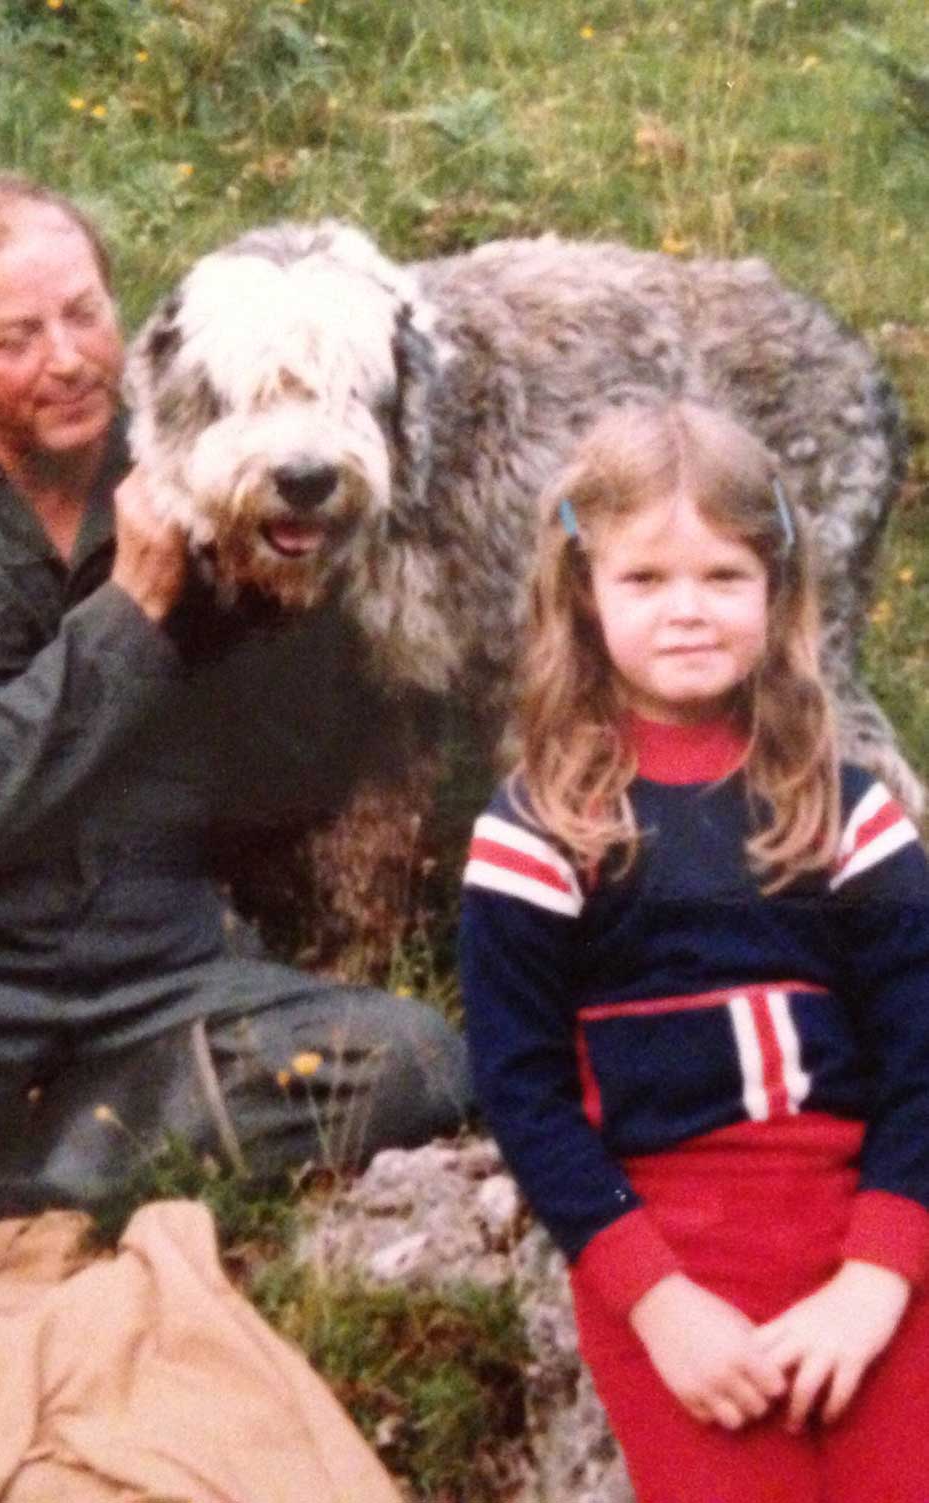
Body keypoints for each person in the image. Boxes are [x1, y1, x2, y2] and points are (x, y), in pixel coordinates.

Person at [0, 172, 468, 1396]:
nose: (70, 361)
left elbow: (281, 774)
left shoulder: (196, 451)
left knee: (415, 1062)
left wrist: (289, 584)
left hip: (147, 974)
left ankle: (3, 1182)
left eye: (86, 313)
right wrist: (134, 607)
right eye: (16, 337)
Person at [459, 400, 929, 1503]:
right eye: (646, 580)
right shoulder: (539, 834)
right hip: (673, 1260)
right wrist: (657, 1303)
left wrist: (878, 1279)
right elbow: (521, 1091)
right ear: (582, 593)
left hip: (869, 1238)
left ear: (780, 592)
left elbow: (922, 1058)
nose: (688, 612)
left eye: (725, 576)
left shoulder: (849, 816)